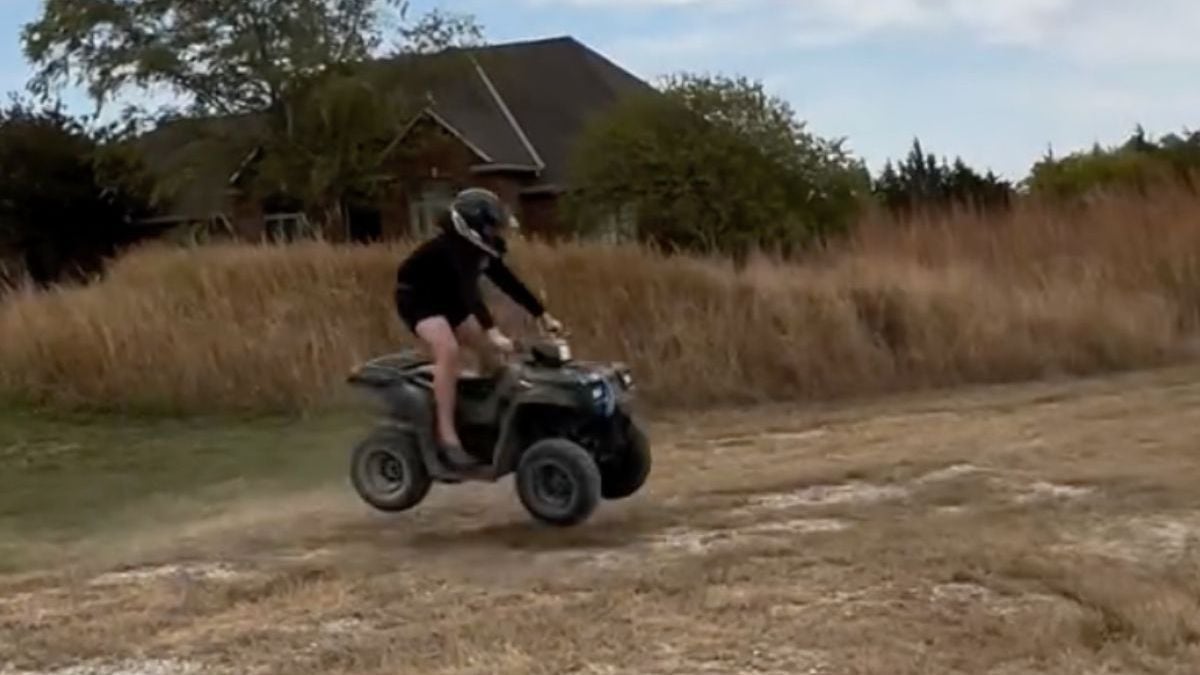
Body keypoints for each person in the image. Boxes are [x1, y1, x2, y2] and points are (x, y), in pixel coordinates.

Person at [394, 187, 561, 467]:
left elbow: (507, 282)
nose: (496, 232)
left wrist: (542, 314)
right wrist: (492, 330)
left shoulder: (482, 248)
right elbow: (470, 293)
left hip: (450, 299)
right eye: (490, 226)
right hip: (419, 299)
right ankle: (447, 436)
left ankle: (482, 418)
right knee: (448, 351)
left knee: (489, 354)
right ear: (473, 226)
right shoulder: (452, 249)